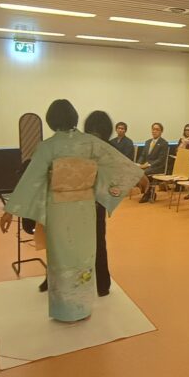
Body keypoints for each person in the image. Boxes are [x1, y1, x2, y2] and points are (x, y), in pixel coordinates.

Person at [0, 100, 145, 321]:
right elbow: (117, 162)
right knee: (83, 254)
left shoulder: (47, 147)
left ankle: (64, 309)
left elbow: (31, 179)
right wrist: (139, 176)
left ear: (50, 120)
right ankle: (82, 306)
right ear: (75, 117)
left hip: (58, 210)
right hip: (85, 208)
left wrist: (10, 210)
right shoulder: (90, 143)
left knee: (61, 256)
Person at [83, 110, 117, 297]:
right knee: (95, 241)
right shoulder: (106, 148)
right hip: (92, 200)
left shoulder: (83, 147)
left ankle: (98, 283)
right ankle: (101, 284)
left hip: (87, 200)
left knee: (90, 242)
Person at [138, 123, 169, 202]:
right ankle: (149, 192)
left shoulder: (164, 143)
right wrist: (139, 164)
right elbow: (142, 155)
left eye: (157, 130)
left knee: (143, 172)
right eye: (153, 129)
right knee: (136, 170)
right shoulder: (147, 142)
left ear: (161, 132)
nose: (154, 131)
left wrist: (149, 165)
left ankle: (147, 193)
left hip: (157, 167)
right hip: (147, 166)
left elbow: (161, 159)